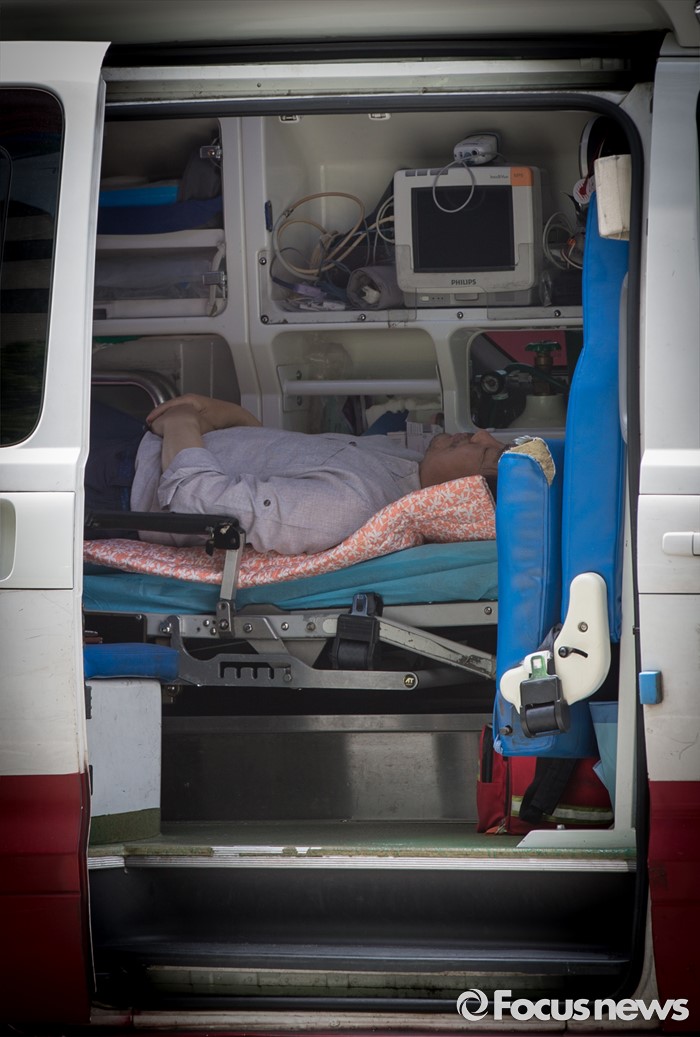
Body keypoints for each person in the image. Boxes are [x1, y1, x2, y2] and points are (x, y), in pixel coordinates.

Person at [86, 394, 507, 555]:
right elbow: (274, 463)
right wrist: (229, 415)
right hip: (138, 443)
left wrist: (182, 422)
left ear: (464, 493)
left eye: (486, 453)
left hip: (115, 484)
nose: (479, 435)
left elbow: (194, 501)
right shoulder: (401, 462)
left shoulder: (349, 505)